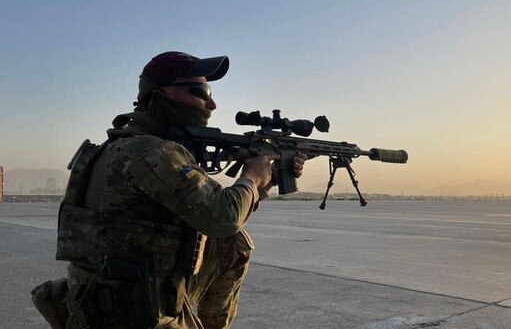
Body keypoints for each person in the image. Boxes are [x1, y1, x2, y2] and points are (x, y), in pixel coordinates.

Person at [32, 51, 307, 329]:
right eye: (202, 90)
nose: (211, 103)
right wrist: (250, 176)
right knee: (231, 236)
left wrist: (266, 180)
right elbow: (223, 217)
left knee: (231, 243)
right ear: (163, 92)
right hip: (130, 313)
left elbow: (211, 216)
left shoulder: (126, 144)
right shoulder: (152, 152)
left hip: (108, 297)